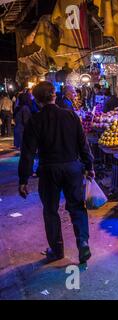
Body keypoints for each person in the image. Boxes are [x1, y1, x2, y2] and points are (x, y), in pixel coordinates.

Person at [18, 81, 95, 264]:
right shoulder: (71, 116)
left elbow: (27, 152)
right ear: (54, 96)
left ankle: (57, 249)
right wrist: (89, 165)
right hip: (72, 168)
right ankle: (83, 242)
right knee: (77, 207)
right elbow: (83, 145)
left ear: (36, 100)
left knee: (50, 210)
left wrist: (23, 179)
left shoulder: (35, 121)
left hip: (48, 170)